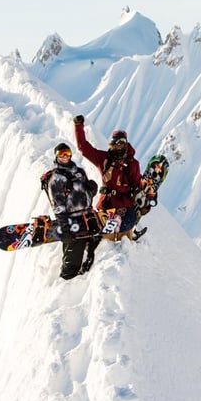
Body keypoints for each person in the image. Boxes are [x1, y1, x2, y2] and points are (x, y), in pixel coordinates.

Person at [73, 115, 142, 264]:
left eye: (121, 142)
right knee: (97, 223)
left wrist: (140, 200)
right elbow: (83, 148)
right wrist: (79, 126)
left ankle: (111, 231)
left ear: (126, 143)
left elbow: (137, 186)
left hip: (124, 204)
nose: (118, 145)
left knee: (128, 221)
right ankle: (91, 233)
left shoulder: (132, 164)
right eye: (115, 142)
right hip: (106, 204)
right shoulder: (104, 159)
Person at [42, 142, 99, 280]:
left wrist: (92, 190)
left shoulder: (79, 172)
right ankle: (67, 283)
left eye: (67, 153)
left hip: (88, 216)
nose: (65, 156)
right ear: (56, 157)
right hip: (72, 221)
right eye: (61, 154)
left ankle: (84, 277)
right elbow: (58, 206)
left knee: (94, 248)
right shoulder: (56, 178)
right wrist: (65, 228)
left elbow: (84, 192)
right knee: (73, 255)